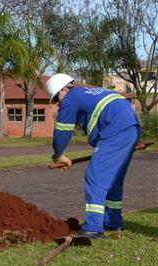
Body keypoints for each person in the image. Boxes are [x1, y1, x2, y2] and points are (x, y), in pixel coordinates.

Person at [45, 73, 141, 240]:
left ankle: (94, 228)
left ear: (64, 89)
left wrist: (59, 154)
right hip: (130, 127)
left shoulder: (70, 98)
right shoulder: (87, 92)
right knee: (113, 179)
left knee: (95, 175)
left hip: (115, 130)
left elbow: (62, 132)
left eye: (56, 99)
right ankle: (112, 222)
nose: (57, 104)